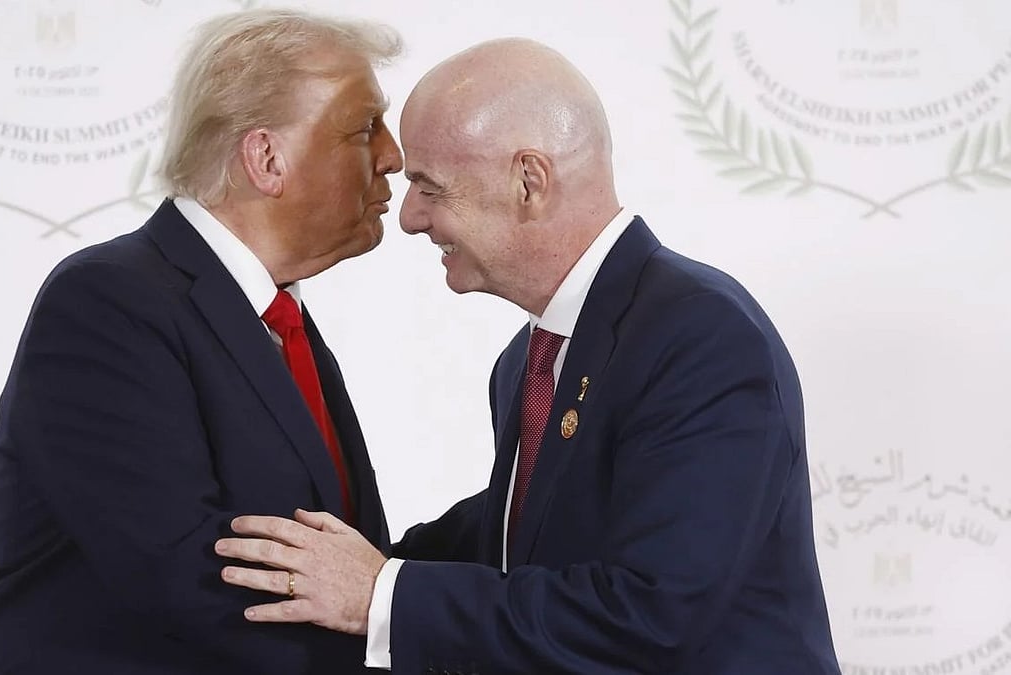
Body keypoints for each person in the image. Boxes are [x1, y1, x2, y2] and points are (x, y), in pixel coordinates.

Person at [214, 38, 843, 674]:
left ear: (529, 182)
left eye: (430, 187)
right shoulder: (529, 359)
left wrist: (382, 594)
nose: (408, 218)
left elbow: (653, 616)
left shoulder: (702, 337)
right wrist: (338, 568)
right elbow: (522, 536)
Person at [0, 8, 404, 674]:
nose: (392, 157)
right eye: (364, 128)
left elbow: (335, 557)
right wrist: (410, 632)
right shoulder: (107, 302)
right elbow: (187, 580)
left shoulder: (273, 318)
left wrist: (525, 509)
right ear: (266, 158)